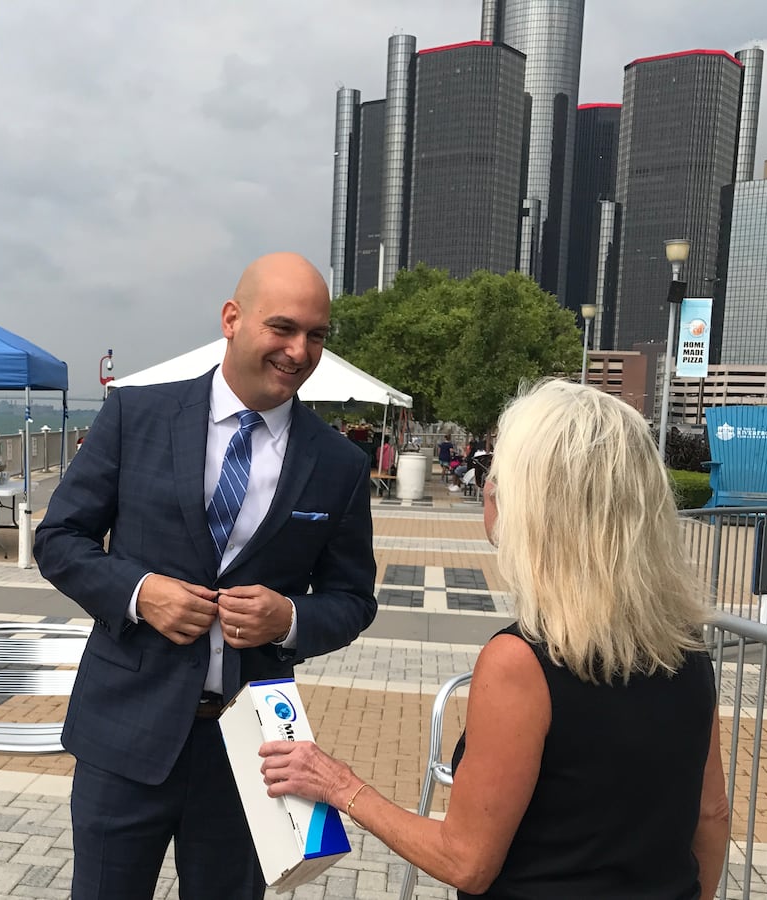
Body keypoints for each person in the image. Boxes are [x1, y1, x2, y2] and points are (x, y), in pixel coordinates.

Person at [257, 379, 729, 900]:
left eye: (498, 475)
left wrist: (341, 786)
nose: (488, 487)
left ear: (533, 508)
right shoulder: (684, 644)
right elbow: (712, 814)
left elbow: (466, 859)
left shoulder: (521, 662)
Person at [34, 252, 378, 899]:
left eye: (317, 335)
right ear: (232, 318)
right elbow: (58, 539)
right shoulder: (136, 416)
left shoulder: (337, 463)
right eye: (283, 327)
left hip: (250, 748)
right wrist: (139, 593)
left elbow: (354, 599)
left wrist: (291, 618)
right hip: (126, 734)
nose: (299, 350)